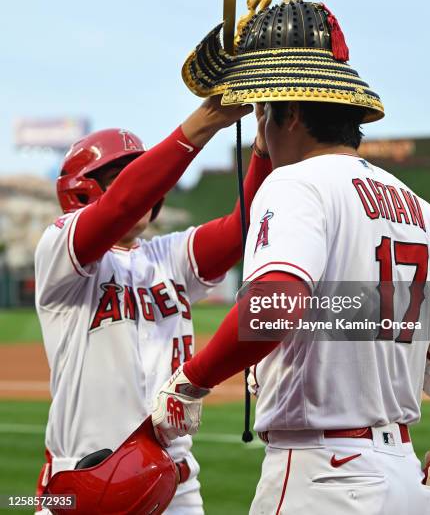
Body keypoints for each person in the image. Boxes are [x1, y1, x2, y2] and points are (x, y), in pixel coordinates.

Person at [152, 0, 430, 515]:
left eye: (264, 110)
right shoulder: (424, 212)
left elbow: (276, 303)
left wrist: (192, 380)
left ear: (292, 112)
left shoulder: (296, 184)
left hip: (322, 476)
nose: (261, 128)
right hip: (408, 479)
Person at [34, 96, 272, 514]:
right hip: (82, 481)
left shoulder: (168, 256)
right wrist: (202, 123)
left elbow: (242, 229)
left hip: (173, 484)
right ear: (82, 189)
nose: (143, 184)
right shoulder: (60, 247)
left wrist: (263, 149)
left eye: (141, 172)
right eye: (119, 174)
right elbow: (120, 205)